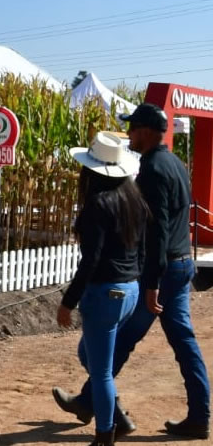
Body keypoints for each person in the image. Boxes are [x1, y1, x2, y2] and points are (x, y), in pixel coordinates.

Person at [53, 103, 210, 440]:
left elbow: (158, 230)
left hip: (162, 271)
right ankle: (198, 414)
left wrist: (150, 283)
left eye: (134, 129)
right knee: (181, 343)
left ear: (148, 132)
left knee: (113, 343)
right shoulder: (176, 163)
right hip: (182, 264)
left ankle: (99, 408)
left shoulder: (151, 168)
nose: (131, 135)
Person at [57, 131, 150, 445]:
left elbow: (91, 261)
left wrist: (68, 301)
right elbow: (142, 249)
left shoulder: (97, 204)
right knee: (90, 356)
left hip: (106, 293)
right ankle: (113, 414)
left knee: (100, 371)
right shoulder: (132, 198)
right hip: (129, 291)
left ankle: (105, 433)